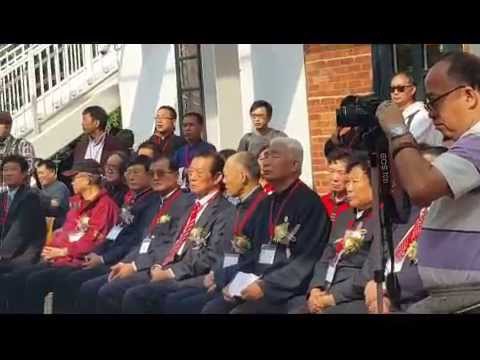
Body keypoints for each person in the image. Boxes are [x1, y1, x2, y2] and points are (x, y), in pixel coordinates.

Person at [375, 51, 480, 313]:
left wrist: (398, 130)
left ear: (469, 96)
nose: (430, 114)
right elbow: (402, 197)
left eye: (433, 101)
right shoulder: (465, 144)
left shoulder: (478, 143)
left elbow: (421, 188)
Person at [202, 138, 330, 314]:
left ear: (294, 165)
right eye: (265, 155)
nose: (266, 161)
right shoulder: (266, 203)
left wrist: (266, 286)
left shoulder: (309, 204)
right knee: (211, 307)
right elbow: (252, 253)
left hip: (290, 290)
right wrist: (230, 279)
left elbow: (305, 261)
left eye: (274, 155)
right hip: (258, 281)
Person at [117, 152, 234, 314]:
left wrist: (170, 272)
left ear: (217, 177)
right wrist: (158, 265)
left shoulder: (224, 211)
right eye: (190, 172)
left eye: (199, 173)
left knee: (137, 295)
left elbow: (210, 256)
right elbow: (171, 241)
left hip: (193, 274)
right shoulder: (190, 206)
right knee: (120, 287)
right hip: (168, 266)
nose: (192, 178)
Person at [79, 155, 195, 314]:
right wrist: (125, 262)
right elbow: (142, 239)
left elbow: (171, 243)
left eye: (161, 173)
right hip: (138, 259)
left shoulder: (185, 202)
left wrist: (134, 266)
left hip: (160, 265)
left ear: (176, 176)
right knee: (88, 285)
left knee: (110, 291)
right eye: (152, 173)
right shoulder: (156, 202)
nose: (155, 177)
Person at [0, 159, 119, 313]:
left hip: (79, 261)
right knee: (16, 279)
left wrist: (64, 252)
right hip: (58, 258)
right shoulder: (76, 204)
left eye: (75, 178)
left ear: (90, 179)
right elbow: (65, 233)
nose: (71, 182)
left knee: (34, 280)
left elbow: (93, 241)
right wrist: (52, 250)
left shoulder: (104, 206)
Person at [51, 156, 159, 313]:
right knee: (64, 278)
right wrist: (97, 253)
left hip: (125, 260)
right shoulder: (131, 200)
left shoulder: (152, 203)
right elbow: (113, 235)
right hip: (108, 255)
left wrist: (102, 258)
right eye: (128, 172)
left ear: (149, 176)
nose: (131, 176)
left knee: (82, 284)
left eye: (136, 172)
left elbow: (135, 240)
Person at [163, 151, 267, 314]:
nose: (224, 182)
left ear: (242, 177)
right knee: (172, 298)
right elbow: (226, 251)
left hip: (246, 280)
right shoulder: (240, 206)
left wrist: (222, 278)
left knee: (187, 303)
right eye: (190, 173)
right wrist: (218, 274)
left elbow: (255, 255)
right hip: (224, 274)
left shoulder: (262, 207)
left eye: (226, 176)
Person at [287, 151, 375, 314]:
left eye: (354, 182)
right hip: (325, 290)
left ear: (374, 184)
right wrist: (315, 289)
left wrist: (330, 299)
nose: (348, 188)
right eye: (347, 182)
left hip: (351, 297)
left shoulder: (381, 220)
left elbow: (367, 273)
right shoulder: (345, 217)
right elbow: (325, 257)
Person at [364, 145, 447, 314]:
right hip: (386, 298)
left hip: (422, 301)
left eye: (427, 171)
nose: (417, 180)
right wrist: (376, 286)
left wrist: (385, 286)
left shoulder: (450, 217)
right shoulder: (411, 213)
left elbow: (434, 274)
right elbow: (383, 252)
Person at [0, 155, 45, 274]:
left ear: (24, 173)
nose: (8, 173)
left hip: (24, 251)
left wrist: (2, 254)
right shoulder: (2, 196)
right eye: (5, 170)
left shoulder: (30, 197)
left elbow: (20, 231)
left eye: (13, 169)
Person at [390, 71, 443, 146]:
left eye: (400, 88)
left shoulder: (422, 116)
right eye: (392, 89)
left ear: (412, 90)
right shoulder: (397, 117)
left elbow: (407, 145)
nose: (395, 92)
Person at [34, 159, 71, 229]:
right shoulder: (38, 188)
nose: (39, 176)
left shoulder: (60, 187)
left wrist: (39, 197)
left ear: (52, 172)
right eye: (38, 173)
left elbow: (55, 207)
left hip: (58, 228)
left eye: (42, 173)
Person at [321, 147, 351, 223]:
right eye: (331, 171)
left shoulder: (356, 204)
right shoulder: (321, 202)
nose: (335, 178)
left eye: (340, 172)